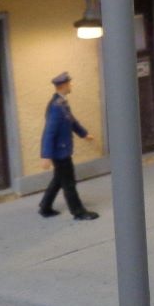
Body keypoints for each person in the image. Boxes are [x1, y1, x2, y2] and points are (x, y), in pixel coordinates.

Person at [39, 71, 99, 220]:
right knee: (69, 183)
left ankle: (45, 206)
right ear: (63, 86)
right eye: (69, 83)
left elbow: (71, 120)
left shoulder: (62, 103)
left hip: (62, 150)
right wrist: (46, 156)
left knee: (58, 179)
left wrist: (84, 134)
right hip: (60, 152)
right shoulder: (56, 107)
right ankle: (78, 212)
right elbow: (49, 132)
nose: (71, 85)